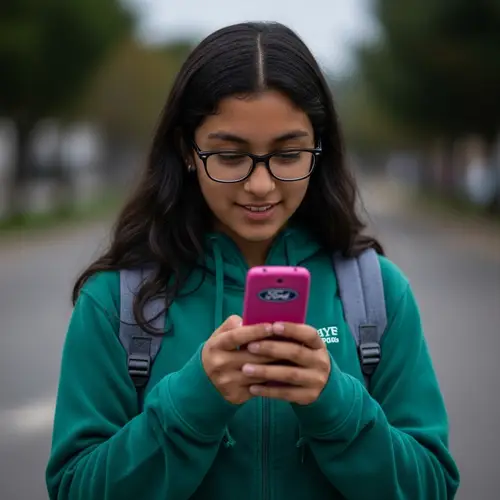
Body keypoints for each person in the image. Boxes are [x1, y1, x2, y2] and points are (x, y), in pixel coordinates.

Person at [45, 21, 460, 500]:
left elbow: (431, 486)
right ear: (187, 150)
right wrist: (193, 402)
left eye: (287, 154)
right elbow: (75, 489)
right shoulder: (116, 302)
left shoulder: (377, 294)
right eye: (229, 156)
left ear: (318, 151)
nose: (260, 185)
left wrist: (335, 405)